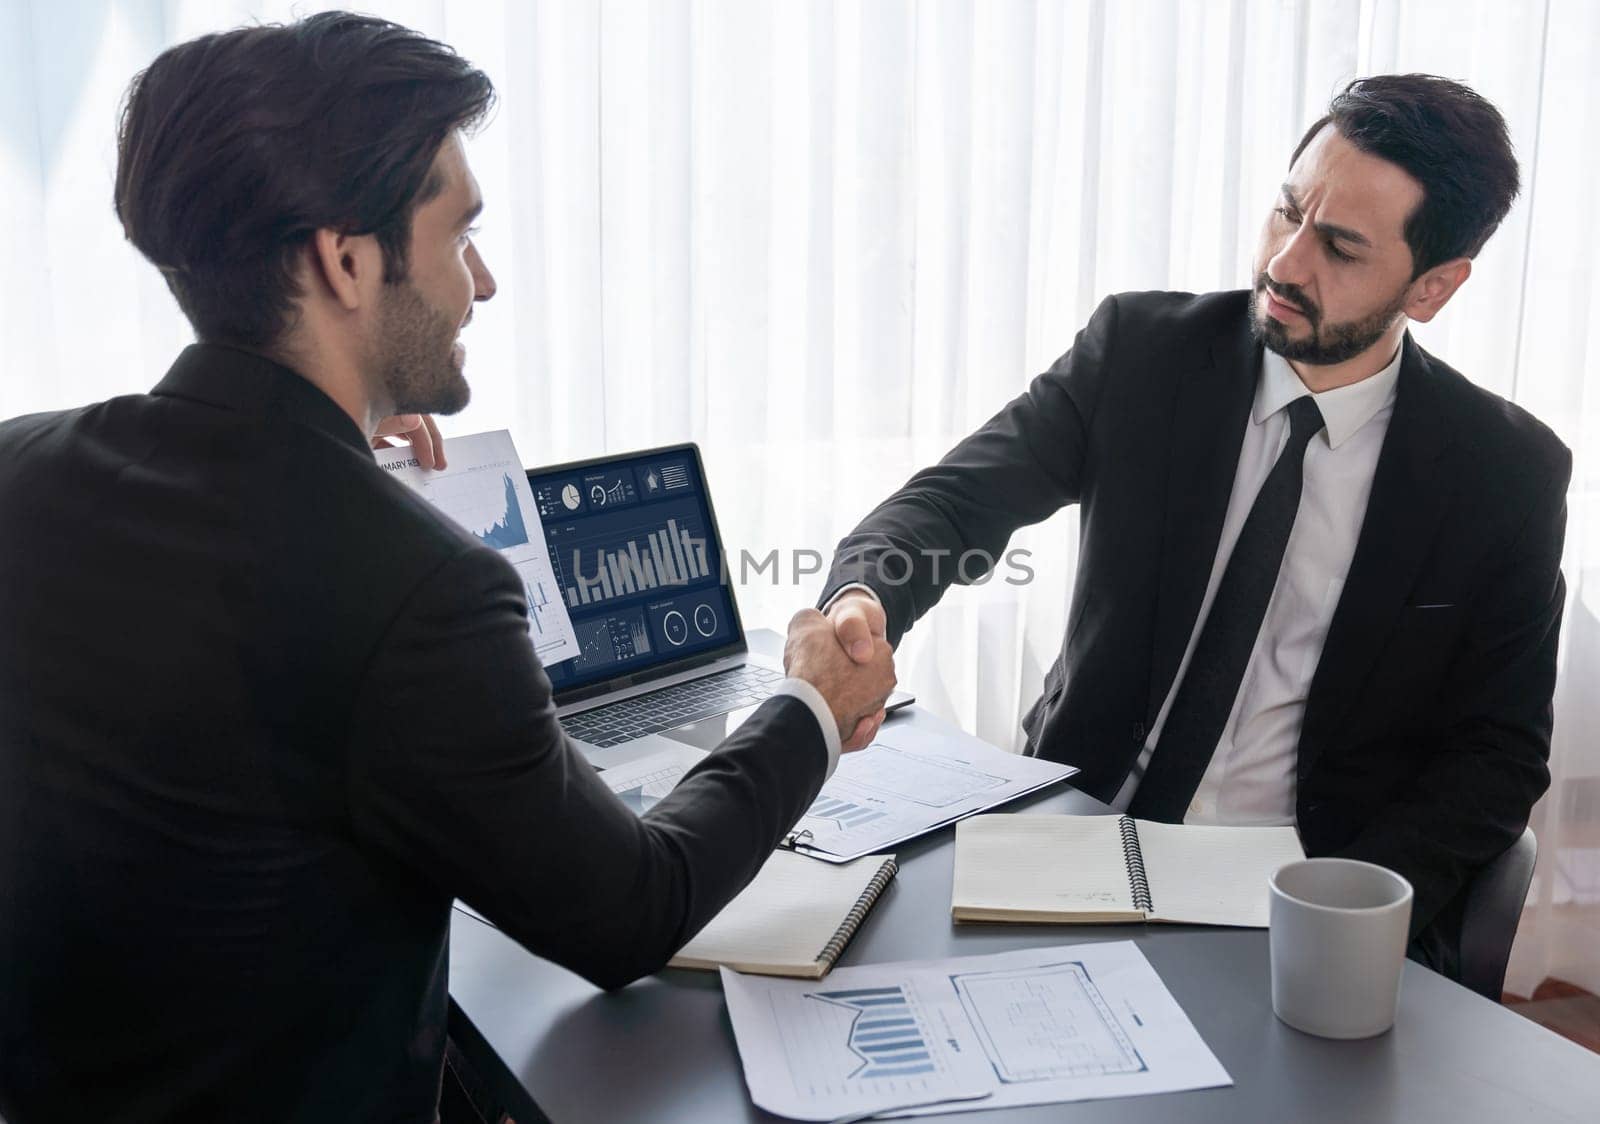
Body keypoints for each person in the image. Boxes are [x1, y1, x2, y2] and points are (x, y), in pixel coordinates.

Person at [0, 13, 894, 1122]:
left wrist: (338, 439)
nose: (483, 279)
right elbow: (627, 910)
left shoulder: (22, 466)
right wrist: (808, 701)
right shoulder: (421, 584)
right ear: (346, 258)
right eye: (459, 233)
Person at [820, 74, 1568, 978]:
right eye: (1287, 214)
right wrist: (863, 604)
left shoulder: (1504, 473)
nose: (1287, 264)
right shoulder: (1142, 354)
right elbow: (951, 507)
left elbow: (1497, 754)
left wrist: (1349, 909)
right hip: (1080, 841)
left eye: (1339, 247)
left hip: (1300, 889)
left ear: (1434, 287)